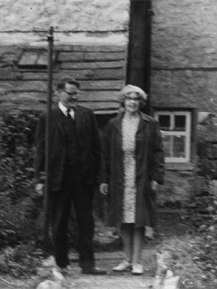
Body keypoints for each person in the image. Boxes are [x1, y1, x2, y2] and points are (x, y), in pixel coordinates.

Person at [34, 77, 106, 275]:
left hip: (83, 177)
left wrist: (100, 177)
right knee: (59, 221)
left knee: (86, 222)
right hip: (59, 178)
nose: (74, 97)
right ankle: (62, 264)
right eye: (70, 93)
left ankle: (88, 265)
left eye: (77, 94)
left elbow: (96, 148)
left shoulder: (87, 115)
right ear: (59, 93)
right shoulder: (47, 118)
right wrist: (39, 179)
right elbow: (40, 151)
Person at [100, 84, 164, 275]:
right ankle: (127, 259)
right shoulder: (113, 125)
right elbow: (105, 154)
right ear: (123, 101)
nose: (132, 102)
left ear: (141, 103)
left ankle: (137, 262)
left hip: (141, 177)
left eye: (136, 99)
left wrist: (156, 178)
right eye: (129, 99)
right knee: (124, 220)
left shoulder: (150, 124)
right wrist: (104, 179)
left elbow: (158, 152)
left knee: (138, 220)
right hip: (120, 177)